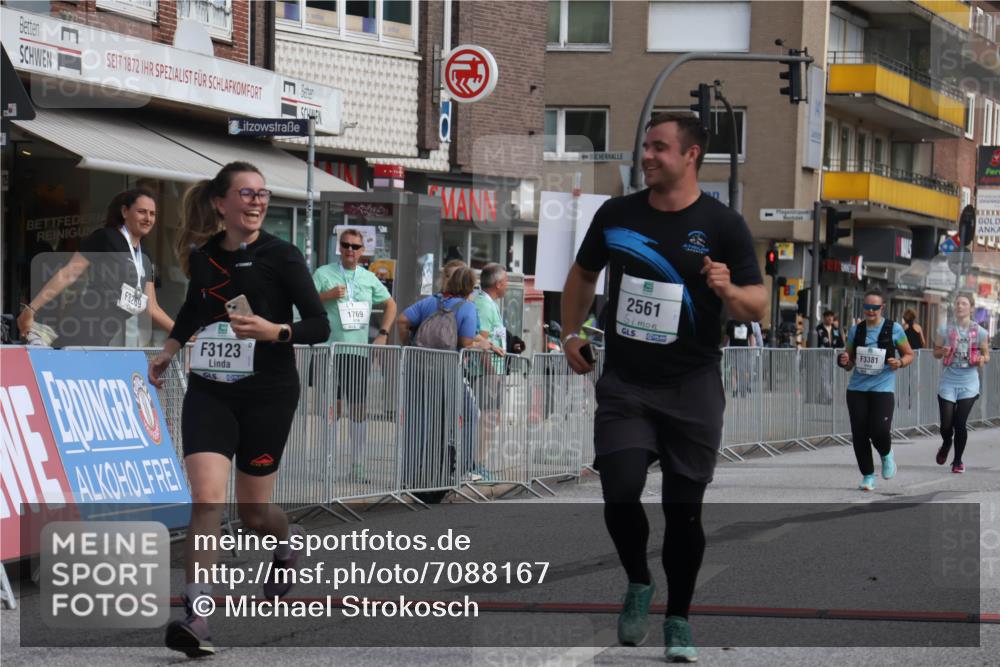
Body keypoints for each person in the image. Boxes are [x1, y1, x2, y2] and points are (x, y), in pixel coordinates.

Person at [561, 112, 767, 662]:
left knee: (684, 512)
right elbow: (583, 276)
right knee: (620, 488)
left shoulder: (723, 225)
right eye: (645, 146)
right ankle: (637, 580)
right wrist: (570, 332)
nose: (647, 156)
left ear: (690, 155)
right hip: (627, 383)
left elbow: (758, 302)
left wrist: (728, 291)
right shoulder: (617, 214)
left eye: (659, 147)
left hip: (692, 385)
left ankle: (679, 618)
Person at [148, 162, 330, 657]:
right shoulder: (204, 256)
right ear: (220, 203)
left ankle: (286, 540)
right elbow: (192, 308)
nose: (256, 201)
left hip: (269, 392)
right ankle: (198, 615)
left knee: (252, 512)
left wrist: (277, 332)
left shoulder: (283, 255)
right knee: (206, 498)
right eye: (246, 193)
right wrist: (170, 348)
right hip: (211, 389)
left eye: (262, 194)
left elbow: (319, 324)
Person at [17, 188, 174, 346]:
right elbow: (69, 273)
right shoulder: (106, 237)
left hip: (104, 336)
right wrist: (31, 309)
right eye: (142, 212)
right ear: (125, 212)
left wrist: (181, 334)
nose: (148, 218)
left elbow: (152, 308)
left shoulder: (145, 256)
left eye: (152, 214)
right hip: (82, 327)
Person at [312, 228, 397, 482]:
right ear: (340, 247)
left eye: (355, 246)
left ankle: (358, 466)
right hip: (330, 350)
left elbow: (390, 304)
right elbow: (304, 302)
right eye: (346, 245)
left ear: (363, 251)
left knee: (358, 409)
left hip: (357, 352)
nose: (350, 250)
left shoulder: (369, 278)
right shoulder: (323, 273)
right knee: (333, 408)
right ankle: (328, 464)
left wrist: (383, 332)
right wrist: (326, 296)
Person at [396, 267, 480, 498]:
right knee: (466, 415)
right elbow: (465, 341)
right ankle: (460, 468)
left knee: (419, 422)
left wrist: (409, 346)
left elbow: (402, 320)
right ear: (470, 287)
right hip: (446, 373)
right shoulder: (467, 307)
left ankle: (411, 478)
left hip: (419, 367)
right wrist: (480, 346)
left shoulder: (430, 303)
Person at [837, 289, 914, 492]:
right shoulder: (856, 330)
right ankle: (868, 475)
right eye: (867, 307)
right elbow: (848, 361)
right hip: (857, 389)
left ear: (882, 308)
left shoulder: (894, 329)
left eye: (875, 307)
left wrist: (899, 362)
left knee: (878, 430)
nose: (870, 311)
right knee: (860, 433)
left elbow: (909, 354)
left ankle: (887, 455)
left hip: (882, 388)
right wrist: (844, 360)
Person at [933, 293, 990, 473]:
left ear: (971, 308)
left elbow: (986, 355)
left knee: (960, 423)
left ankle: (957, 461)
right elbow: (935, 352)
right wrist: (943, 350)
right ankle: (946, 443)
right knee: (946, 426)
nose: (959, 306)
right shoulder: (944, 329)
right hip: (948, 382)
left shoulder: (980, 332)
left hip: (969, 383)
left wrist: (981, 359)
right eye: (957, 303)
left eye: (964, 304)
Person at [469, 263, 509, 479]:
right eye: (506, 283)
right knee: (488, 418)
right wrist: (492, 373)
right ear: (498, 283)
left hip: (490, 371)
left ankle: (479, 463)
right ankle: (477, 465)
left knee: (491, 418)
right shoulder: (484, 304)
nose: (507, 287)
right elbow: (482, 340)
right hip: (485, 372)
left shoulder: (488, 303)